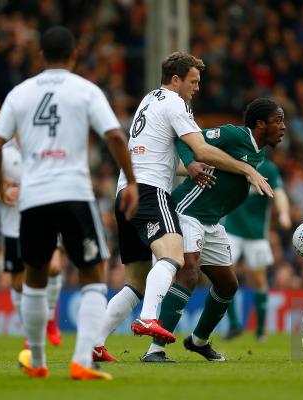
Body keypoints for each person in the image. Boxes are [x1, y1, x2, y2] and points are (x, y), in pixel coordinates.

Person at [0, 26, 138, 381]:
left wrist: (1, 180)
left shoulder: (19, 93)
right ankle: (82, 360)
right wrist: (131, 180)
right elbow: (115, 135)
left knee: (35, 277)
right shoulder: (85, 90)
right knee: (92, 275)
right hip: (73, 193)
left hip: (33, 197)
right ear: (73, 56)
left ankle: (37, 361)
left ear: (40, 57)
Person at [100, 52, 273, 358]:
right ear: (176, 80)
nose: (196, 88)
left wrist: (190, 166)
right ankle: (149, 319)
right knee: (173, 256)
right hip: (150, 190)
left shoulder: (148, 100)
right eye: (193, 81)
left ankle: (93, 343)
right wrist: (246, 169)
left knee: (136, 283)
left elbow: (170, 156)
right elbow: (202, 149)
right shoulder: (175, 103)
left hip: (125, 191)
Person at [0, 137, 63, 347]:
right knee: (18, 283)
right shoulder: (3, 153)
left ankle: (50, 319)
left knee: (53, 267)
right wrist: (2, 193)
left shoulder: (46, 144)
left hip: (45, 221)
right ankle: (31, 331)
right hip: (14, 227)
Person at [223, 159, 291, 342]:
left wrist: (284, 213)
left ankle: (260, 331)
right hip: (231, 230)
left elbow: (279, 193)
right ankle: (235, 325)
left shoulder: (268, 168)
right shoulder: (235, 162)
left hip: (256, 234)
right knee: (223, 275)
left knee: (259, 280)